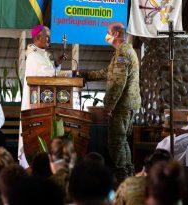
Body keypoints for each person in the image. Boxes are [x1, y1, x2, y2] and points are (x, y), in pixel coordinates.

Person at [79, 22, 141, 183]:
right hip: (128, 104)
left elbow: (118, 83)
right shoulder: (126, 51)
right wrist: (84, 74)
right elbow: (108, 73)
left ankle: (122, 179)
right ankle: (129, 175)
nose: (106, 35)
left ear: (115, 35)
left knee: (115, 143)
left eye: (108, 32)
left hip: (121, 105)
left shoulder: (122, 53)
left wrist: (109, 107)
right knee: (122, 141)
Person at [18, 25, 68, 169]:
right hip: (35, 104)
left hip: (44, 103)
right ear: (38, 38)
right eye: (47, 36)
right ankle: (29, 165)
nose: (49, 39)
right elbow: (46, 75)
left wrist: (57, 64)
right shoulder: (33, 56)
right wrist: (62, 73)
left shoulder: (42, 54)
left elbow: (49, 72)